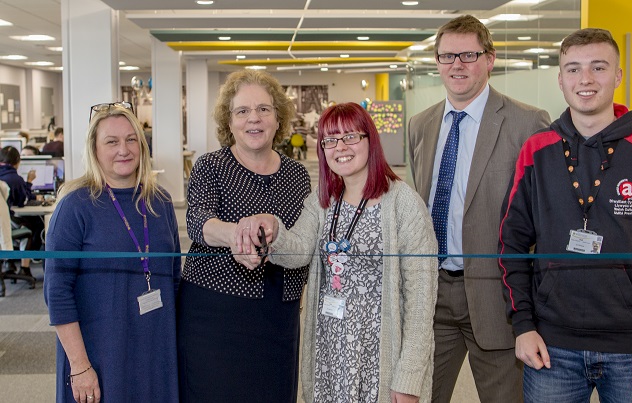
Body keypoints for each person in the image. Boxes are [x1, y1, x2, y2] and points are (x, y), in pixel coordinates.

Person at [498, 28, 632, 402]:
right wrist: (523, 325)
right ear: (560, 79)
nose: (585, 79)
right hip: (551, 348)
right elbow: (509, 244)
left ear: (618, 76)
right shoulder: (536, 151)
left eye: (598, 67)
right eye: (573, 69)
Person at [407, 14, 551, 402]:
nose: (457, 65)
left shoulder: (528, 123)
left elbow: (544, 218)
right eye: (447, 56)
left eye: (468, 55)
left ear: (490, 59)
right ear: (436, 62)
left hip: (497, 296)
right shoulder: (420, 125)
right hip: (431, 295)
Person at [260, 102, 438, 403]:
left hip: (379, 356)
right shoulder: (323, 200)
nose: (339, 147)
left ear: (370, 139)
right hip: (331, 353)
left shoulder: (403, 204)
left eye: (350, 137)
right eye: (329, 140)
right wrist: (274, 232)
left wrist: (409, 378)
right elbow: (298, 250)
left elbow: (422, 300)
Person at [177, 69, 311, 402]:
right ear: (229, 121)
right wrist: (239, 234)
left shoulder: (297, 175)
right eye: (242, 111)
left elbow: (304, 239)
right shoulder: (210, 165)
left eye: (264, 109)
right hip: (215, 310)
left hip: (278, 312)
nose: (254, 118)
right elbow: (198, 220)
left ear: (278, 118)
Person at [44, 102, 182, 402]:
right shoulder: (75, 206)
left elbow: (173, 279)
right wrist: (80, 367)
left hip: (155, 350)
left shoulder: (160, 201)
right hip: (100, 352)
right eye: (112, 141)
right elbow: (57, 293)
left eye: (132, 139)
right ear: (94, 150)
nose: (124, 149)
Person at [0, 145, 41, 281]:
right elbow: (23, 201)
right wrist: (29, 182)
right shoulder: (14, 179)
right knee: (30, 229)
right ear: (17, 162)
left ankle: (9, 263)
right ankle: (25, 268)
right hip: (7, 222)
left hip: (4, 223)